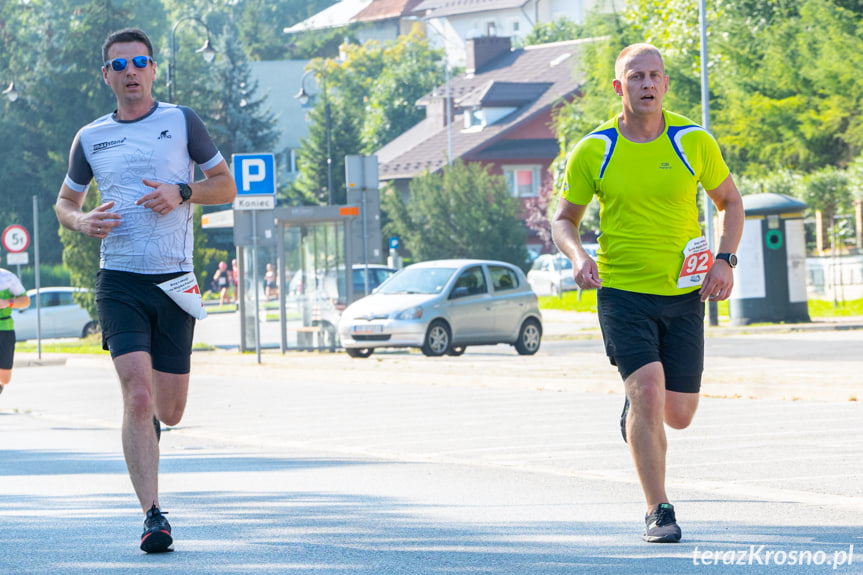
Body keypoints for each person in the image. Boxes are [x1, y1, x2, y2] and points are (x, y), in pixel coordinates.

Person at [551, 43, 743, 543]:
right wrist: (578, 257)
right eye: (636, 76)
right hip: (621, 292)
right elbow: (564, 219)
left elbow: (729, 201)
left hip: (683, 293)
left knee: (677, 414)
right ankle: (659, 511)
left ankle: (638, 412)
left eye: (655, 75)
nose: (648, 84)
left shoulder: (692, 140)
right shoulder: (595, 148)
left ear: (664, 83)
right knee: (650, 391)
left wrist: (724, 260)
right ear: (620, 87)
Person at [55, 28, 237, 553]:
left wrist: (182, 191)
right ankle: (153, 516)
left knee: (169, 409)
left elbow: (224, 185)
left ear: (153, 69)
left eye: (140, 61)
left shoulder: (181, 122)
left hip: (175, 279)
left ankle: (153, 428)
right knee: (136, 395)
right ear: (107, 75)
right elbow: (65, 203)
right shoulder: (90, 137)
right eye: (120, 64)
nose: (131, 71)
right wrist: (81, 220)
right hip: (120, 281)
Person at [0, 259, 31, 395]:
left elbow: (26, 301)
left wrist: (8, 302)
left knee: (5, 378)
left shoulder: (8, 278)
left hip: (5, 327)